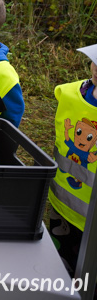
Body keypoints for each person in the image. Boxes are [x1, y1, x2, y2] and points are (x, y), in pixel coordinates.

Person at [48, 44, 97, 276]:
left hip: (93, 222)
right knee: (59, 265)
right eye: (95, 61)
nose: (96, 69)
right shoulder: (68, 93)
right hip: (60, 204)